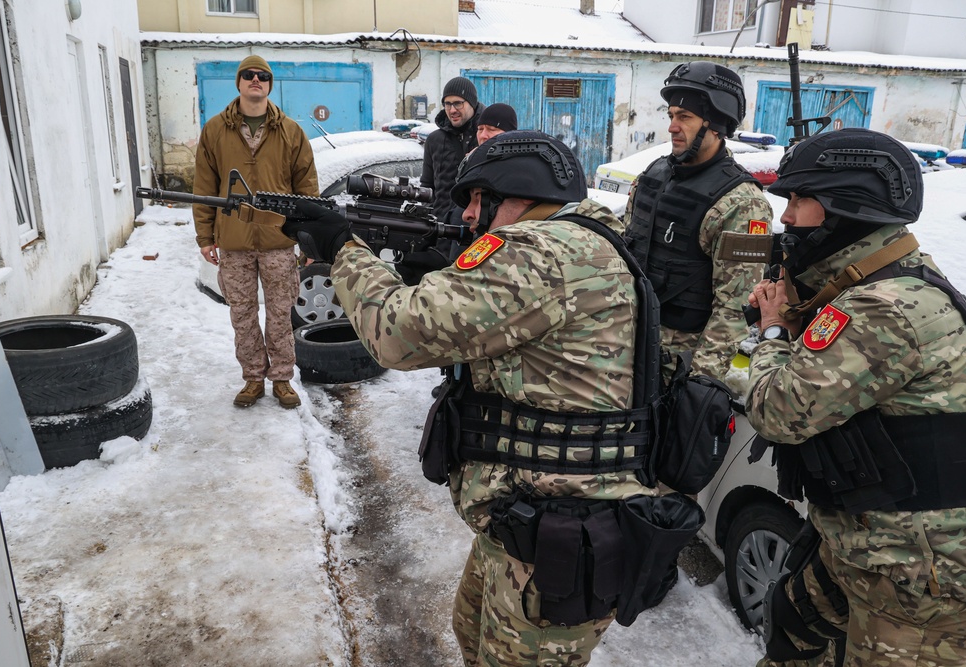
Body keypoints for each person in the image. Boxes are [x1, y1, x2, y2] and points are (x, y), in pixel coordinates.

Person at [282, 131, 699, 666]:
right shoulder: (582, 239)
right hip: (524, 516)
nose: (473, 216)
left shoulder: (541, 250)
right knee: (471, 634)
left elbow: (398, 334)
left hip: (562, 533)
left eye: (481, 198)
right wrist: (434, 275)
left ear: (522, 191)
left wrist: (343, 250)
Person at [745, 128, 966, 667]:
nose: (786, 217)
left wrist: (773, 330)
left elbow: (778, 411)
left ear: (848, 209)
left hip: (916, 573)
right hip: (864, 546)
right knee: (791, 632)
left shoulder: (884, 307)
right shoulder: (872, 287)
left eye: (800, 200)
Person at [623, 61, 773, 385]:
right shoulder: (653, 175)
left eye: (685, 117)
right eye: (671, 115)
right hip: (626, 350)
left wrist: (693, 390)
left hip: (677, 368)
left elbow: (732, 313)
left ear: (716, 124)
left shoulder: (742, 204)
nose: (672, 127)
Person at [194, 55, 318, 408]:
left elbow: (306, 189)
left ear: (269, 84)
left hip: (279, 241)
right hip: (233, 242)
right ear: (238, 82)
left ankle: (281, 379)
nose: (255, 80)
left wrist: (307, 236)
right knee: (242, 314)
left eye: (262, 76)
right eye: (248, 75)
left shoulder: (290, 131)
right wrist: (206, 237)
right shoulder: (216, 130)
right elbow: (204, 187)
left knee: (280, 313)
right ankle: (252, 378)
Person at [398, 77, 487, 284]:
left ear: (472, 103)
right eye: (447, 104)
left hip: (475, 232)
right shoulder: (434, 140)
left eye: (458, 103)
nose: (452, 109)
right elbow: (427, 186)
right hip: (440, 233)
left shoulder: (484, 137)